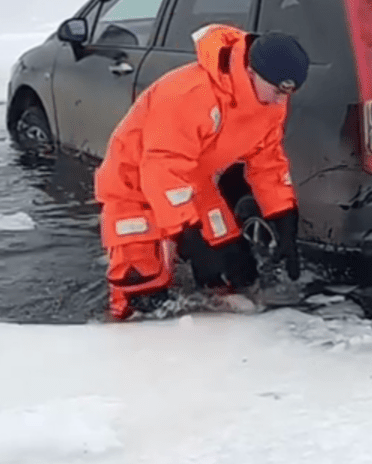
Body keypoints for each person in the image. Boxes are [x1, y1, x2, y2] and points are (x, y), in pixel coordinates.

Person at [93, 23, 309, 320]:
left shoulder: (269, 102)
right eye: (277, 91)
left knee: (235, 267)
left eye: (288, 93)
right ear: (250, 72)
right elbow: (162, 167)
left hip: (191, 180)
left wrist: (284, 219)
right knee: (141, 294)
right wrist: (189, 237)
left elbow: (268, 161)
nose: (280, 101)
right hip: (132, 186)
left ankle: (222, 333)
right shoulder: (190, 95)